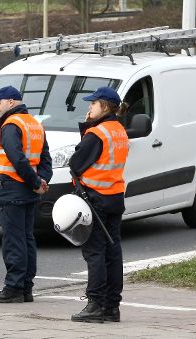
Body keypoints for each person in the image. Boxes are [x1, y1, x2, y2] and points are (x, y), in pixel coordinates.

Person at [0, 86, 52, 303]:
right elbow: (45, 160)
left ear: (11, 102)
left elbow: (16, 158)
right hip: (27, 190)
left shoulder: (11, 125)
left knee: (14, 240)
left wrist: (35, 183)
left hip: (11, 187)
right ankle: (26, 288)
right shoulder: (35, 124)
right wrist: (40, 181)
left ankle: (13, 288)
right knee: (26, 239)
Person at [69, 86, 129, 323]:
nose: (89, 108)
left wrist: (87, 128)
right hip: (115, 197)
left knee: (95, 252)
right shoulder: (119, 130)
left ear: (104, 106)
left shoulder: (97, 133)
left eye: (92, 104)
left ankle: (95, 304)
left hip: (95, 200)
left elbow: (76, 162)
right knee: (113, 252)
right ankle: (111, 306)